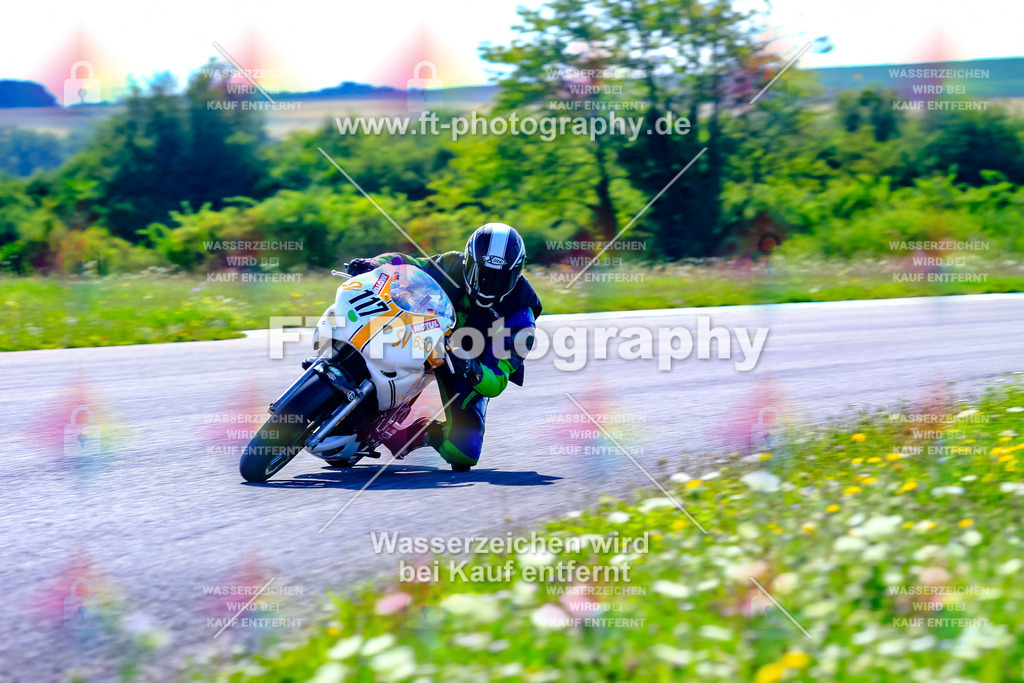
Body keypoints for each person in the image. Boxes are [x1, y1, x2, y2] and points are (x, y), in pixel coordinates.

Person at [346, 223, 542, 471]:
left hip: (465, 364)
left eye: (501, 277)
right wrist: (375, 264)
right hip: (421, 332)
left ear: (518, 272)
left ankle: (428, 431)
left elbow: (498, 380)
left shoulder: (521, 317)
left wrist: (473, 368)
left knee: (464, 452)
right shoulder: (451, 264)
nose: (490, 283)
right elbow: (408, 264)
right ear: (469, 263)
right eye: (483, 273)